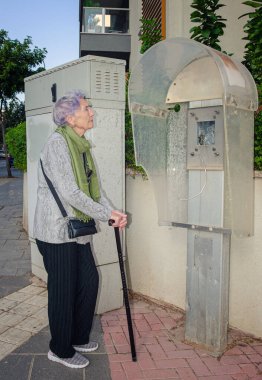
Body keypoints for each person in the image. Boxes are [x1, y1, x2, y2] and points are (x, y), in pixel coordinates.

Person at [33, 90, 127, 369]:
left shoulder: (81, 146)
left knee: (88, 282)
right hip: (55, 232)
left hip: (78, 230)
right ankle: (59, 349)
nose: (92, 112)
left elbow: (95, 191)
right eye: (87, 108)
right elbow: (71, 192)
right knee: (63, 290)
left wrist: (112, 213)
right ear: (70, 116)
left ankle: (76, 337)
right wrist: (105, 213)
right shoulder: (57, 144)